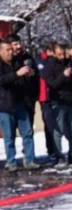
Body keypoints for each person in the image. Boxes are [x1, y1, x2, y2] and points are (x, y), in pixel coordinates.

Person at [0, 38, 38, 171]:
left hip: (20, 102)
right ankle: (11, 162)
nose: (11, 52)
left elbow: (24, 80)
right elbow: (2, 80)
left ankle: (29, 159)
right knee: (9, 136)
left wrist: (30, 75)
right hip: (5, 105)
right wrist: (16, 74)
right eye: (7, 50)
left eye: (11, 49)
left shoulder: (17, 62)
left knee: (27, 132)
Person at [44, 42, 72, 164]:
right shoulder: (49, 66)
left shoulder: (69, 63)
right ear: (53, 53)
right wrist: (63, 75)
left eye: (64, 53)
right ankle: (59, 156)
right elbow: (52, 84)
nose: (62, 56)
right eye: (59, 54)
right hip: (58, 101)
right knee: (58, 130)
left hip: (71, 100)